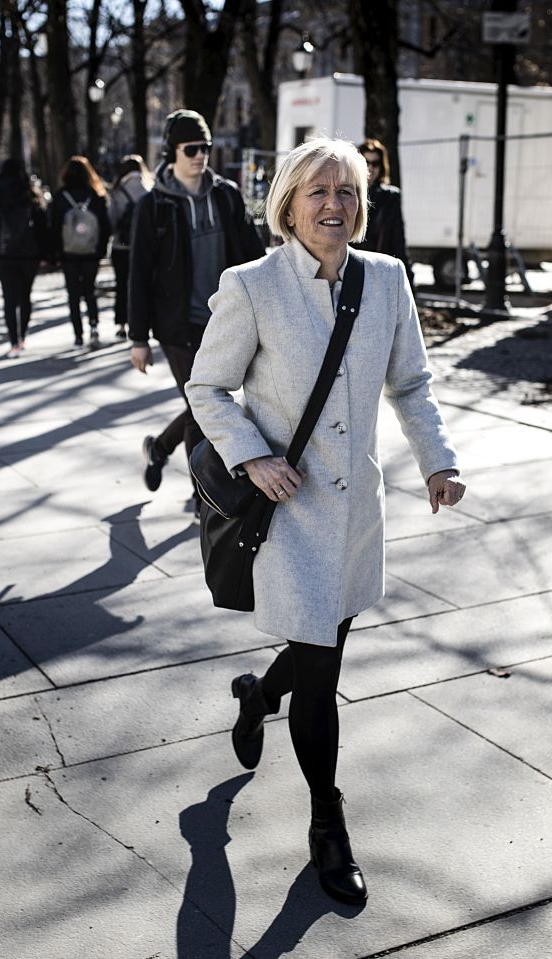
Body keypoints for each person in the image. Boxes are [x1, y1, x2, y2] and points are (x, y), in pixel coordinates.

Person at [185, 136, 467, 906]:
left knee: (323, 642)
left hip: (356, 513)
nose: (333, 205)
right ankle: (326, 823)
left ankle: (256, 696)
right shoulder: (251, 286)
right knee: (321, 670)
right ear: (287, 204)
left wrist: (437, 462)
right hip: (289, 510)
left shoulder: (386, 279)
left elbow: (411, 383)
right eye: (317, 191)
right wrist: (251, 457)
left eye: (346, 191)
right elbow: (206, 388)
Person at [129, 109, 264, 501]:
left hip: (224, 320)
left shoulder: (226, 195)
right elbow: (139, 273)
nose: (200, 155)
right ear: (172, 151)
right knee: (202, 409)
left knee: (205, 405)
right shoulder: (154, 205)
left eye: (205, 147)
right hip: (178, 325)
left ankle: (160, 448)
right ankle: (204, 498)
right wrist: (138, 338)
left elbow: (253, 254)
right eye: (191, 148)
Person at [0, 158, 51, 358]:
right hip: (29, 253)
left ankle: (13, 340)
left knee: (9, 298)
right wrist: (46, 253)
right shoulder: (30, 193)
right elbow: (43, 226)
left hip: (3, 253)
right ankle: (23, 335)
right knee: (25, 296)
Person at [50, 155, 111, 348]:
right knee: (90, 291)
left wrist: (56, 252)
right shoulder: (95, 196)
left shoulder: (60, 197)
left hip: (68, 253)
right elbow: (105, 226)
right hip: (91, 252)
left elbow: (54, 226)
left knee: (73, 294)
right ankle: (94, 325)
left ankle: (78, 333)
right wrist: (101, 249)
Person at [107, 154, 152, 343]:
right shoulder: (149, 190)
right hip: (144, 248)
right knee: (141, 286)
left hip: (121, 246)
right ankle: (141, 325)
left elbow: (112, 220)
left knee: (121, 286)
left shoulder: (118, 192)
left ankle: (121, 324)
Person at [351, 138, 408, 268]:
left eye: (375, 163)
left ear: (382, 166)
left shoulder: (390, 197)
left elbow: (398, 240)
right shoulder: (347, 193)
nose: (370, 168)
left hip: (379, 265)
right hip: (351, 265)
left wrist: (407, 274)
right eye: (366, 162)